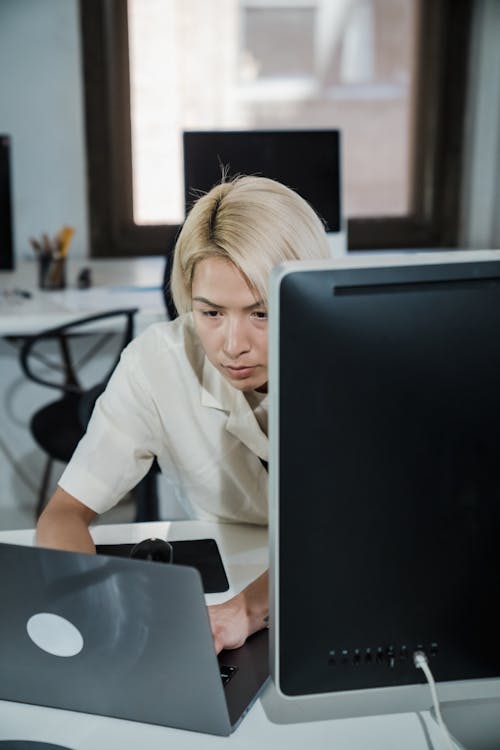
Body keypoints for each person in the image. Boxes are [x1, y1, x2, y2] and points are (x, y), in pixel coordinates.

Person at [36, 175, 331, 653]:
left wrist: (249, 610)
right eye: (211, 313)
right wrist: (86, 604)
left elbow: (361, 541)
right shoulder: (159, 361)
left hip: (325, 591)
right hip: (232, 567)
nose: (233, 346)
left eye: (262, 313)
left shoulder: (354, 362)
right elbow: (64, 514)